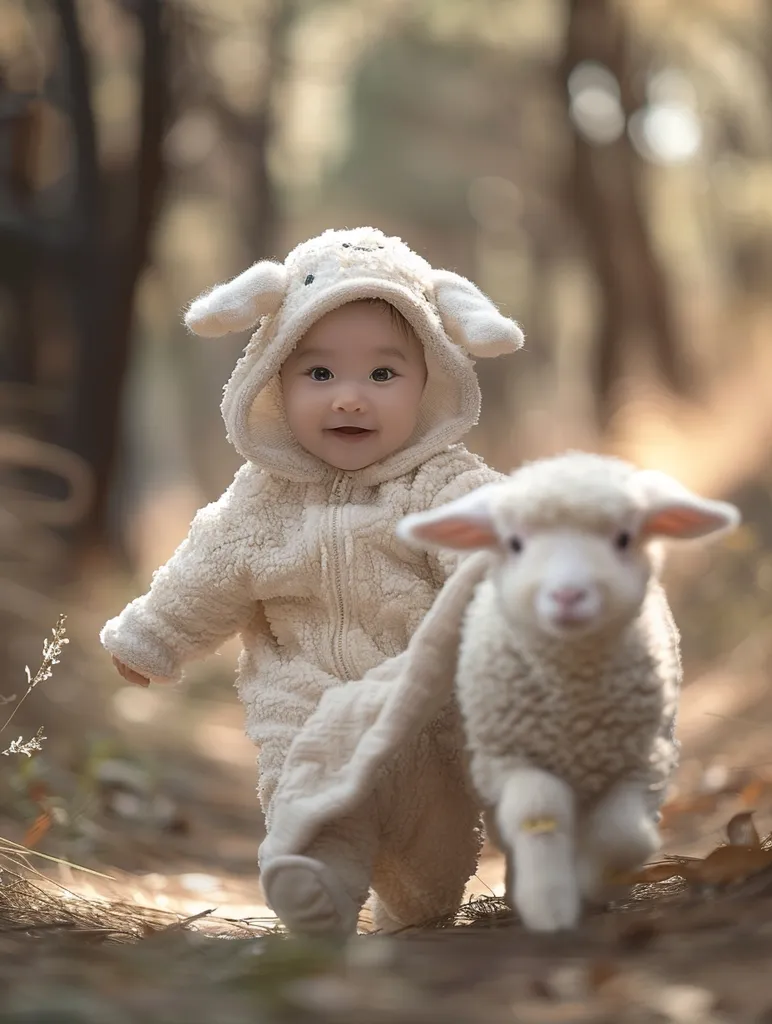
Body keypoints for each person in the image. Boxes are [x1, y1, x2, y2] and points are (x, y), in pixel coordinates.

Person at [101, 225, 524, 938]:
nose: (349, 399)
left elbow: (496, 564)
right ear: (273, 377)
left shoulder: (445, 487)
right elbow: (207, 569)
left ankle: (416, 925)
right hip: (303, 705)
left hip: (424, 718)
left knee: (433, 869)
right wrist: (152, 635)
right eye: (319, 374)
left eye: (382, 375)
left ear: (429, 382)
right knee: (315, 802)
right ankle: (315, 885)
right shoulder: (262, 499)